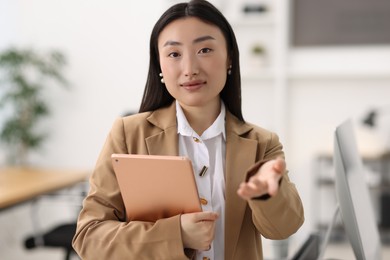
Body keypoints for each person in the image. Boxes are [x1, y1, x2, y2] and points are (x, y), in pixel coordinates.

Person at [72, 0, 304, 259]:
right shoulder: (128, 134)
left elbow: (285, 228)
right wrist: (176, 234)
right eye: (174, 54)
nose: (190, 69)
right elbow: (89, 237)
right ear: (159, 66)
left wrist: (267, 195)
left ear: (229, 58)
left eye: (205, 50)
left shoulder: (262, 142)